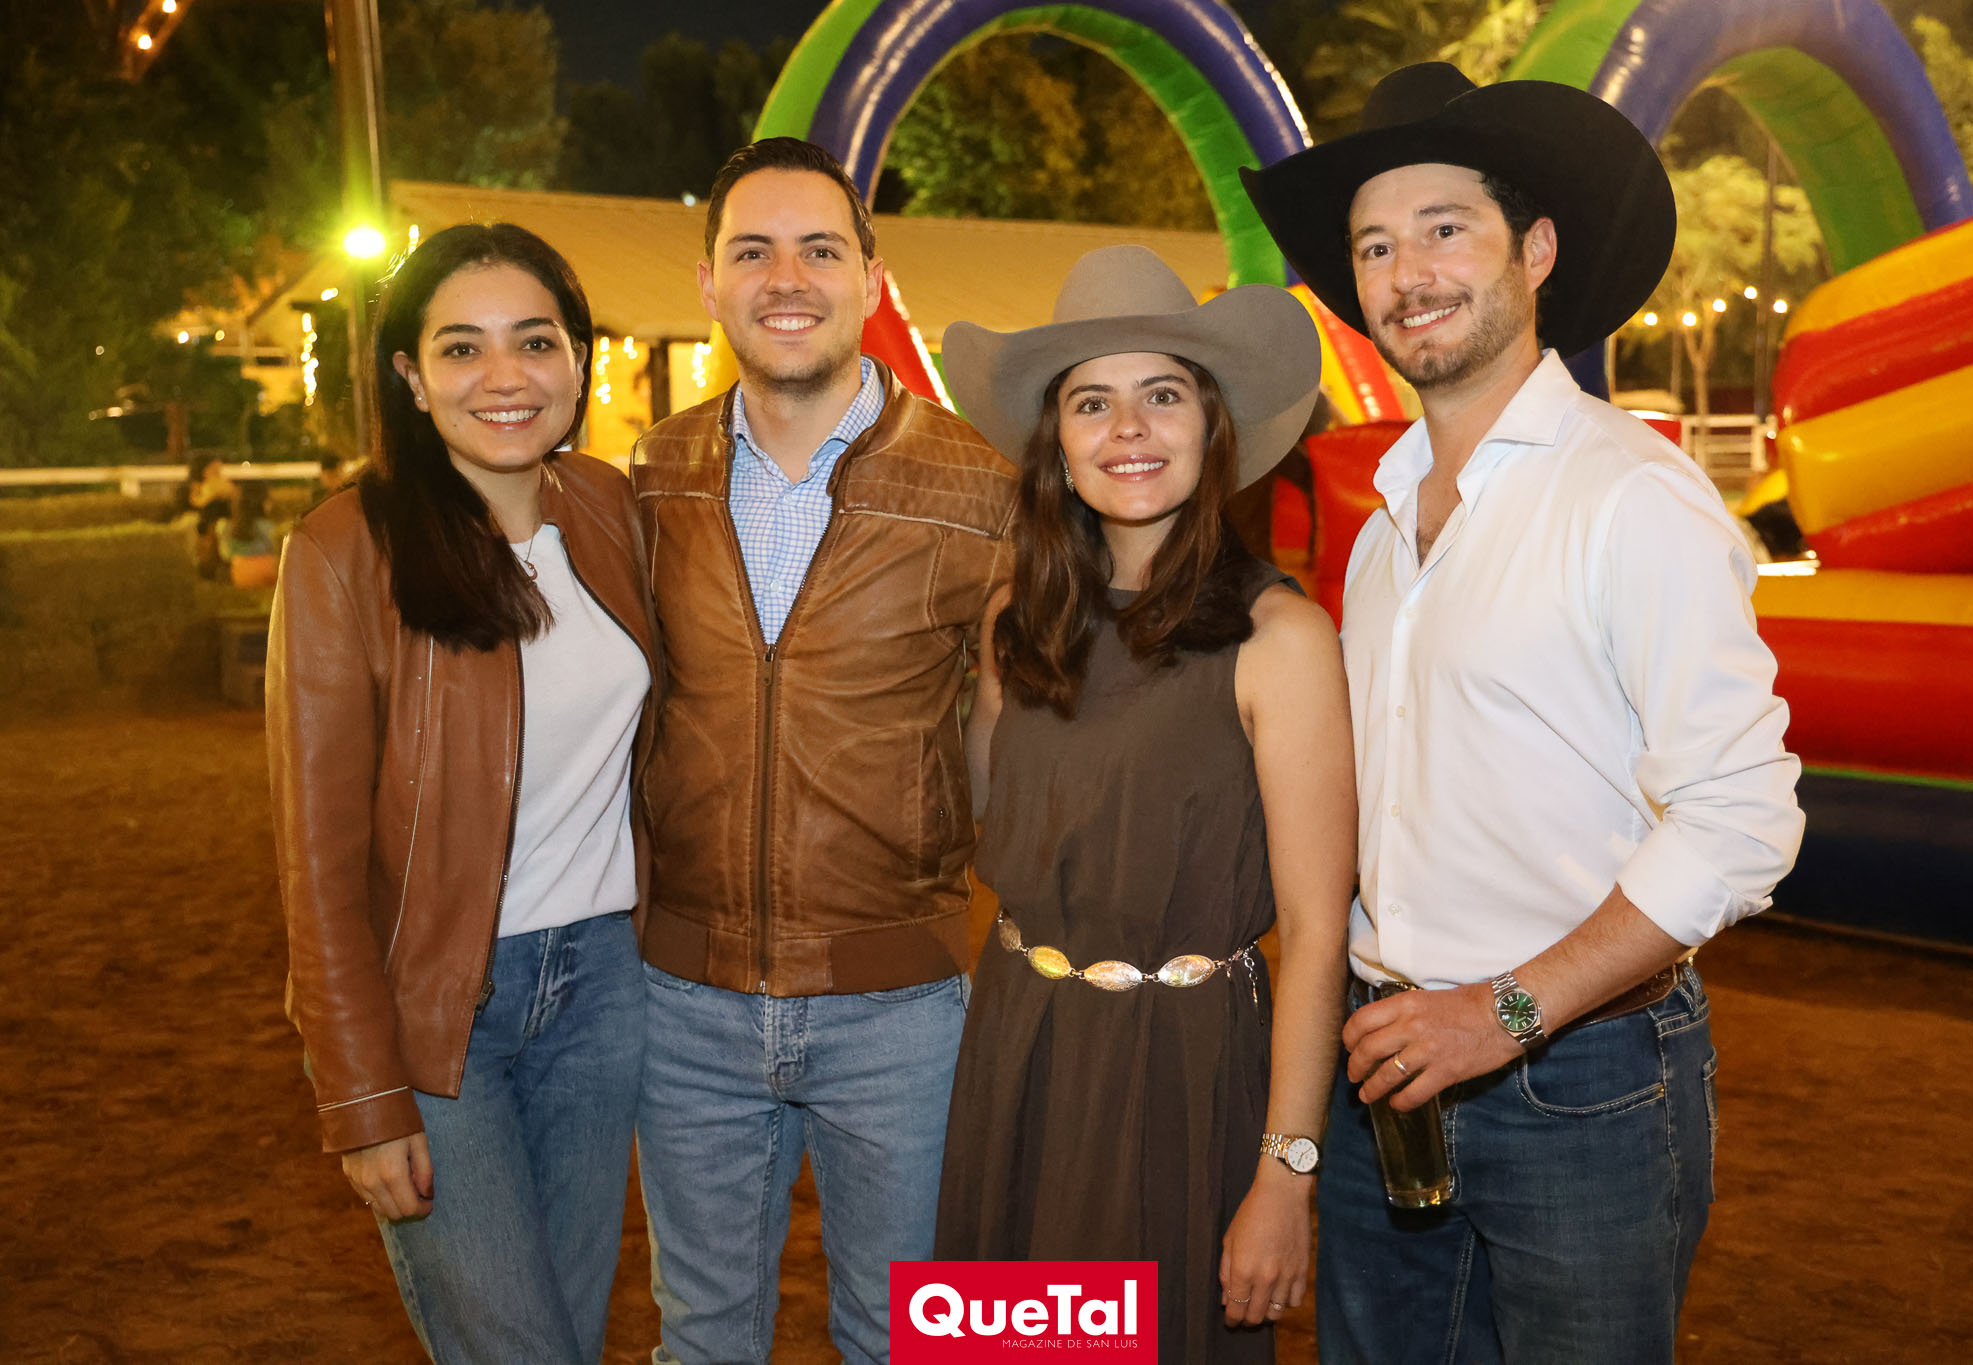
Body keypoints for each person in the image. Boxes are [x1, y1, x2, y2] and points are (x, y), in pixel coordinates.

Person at [1242, 63, 1805, 1364]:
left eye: (1444, 228)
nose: (1408, 273)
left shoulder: (1630, 495)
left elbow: (1741, 820)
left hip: (1581, 1085)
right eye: (1375, 246)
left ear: (1534, 250)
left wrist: (1501, 1011)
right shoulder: (1381, 530)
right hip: (1385, 1068)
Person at [630, 137, 1016, 1365]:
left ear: (869, 276)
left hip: (898, 1010)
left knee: (908, 1342)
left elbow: (1020, 737)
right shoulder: (643, 480)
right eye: (752, 251)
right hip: (681, 1002)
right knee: (701, 1343)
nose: (785, 278)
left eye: (818, 249)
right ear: (708, 282)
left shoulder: (979, 489)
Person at [935, 245, 1356, 1362]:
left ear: (1212, 426)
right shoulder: (1015, 620)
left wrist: (1286, 1175)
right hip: (1016, 1053)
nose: (1128, 428)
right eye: (1092, 402)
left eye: (1162, 394)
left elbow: (1318, 933)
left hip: (1184, 1074)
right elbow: (990, 821)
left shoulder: (1281, 639)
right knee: (1005, 1350)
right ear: (1058, 444)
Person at [265, 222, 657, 1365]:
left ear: (578, 358)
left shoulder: (612, 510)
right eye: (460, 347)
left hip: (606, 993)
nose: (504, 377)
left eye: (534, 341)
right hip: (439, 1018)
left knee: (569, 1334)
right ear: (409, 374)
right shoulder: (344, 551)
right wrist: (361, 1098)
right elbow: (316, 864)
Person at [219, 478, 280, 588]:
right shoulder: (266, 526)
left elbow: (225, 554)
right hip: (268, 574)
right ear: (261, 502)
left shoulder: (230, 526)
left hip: (239, 576)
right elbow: (275, 549)